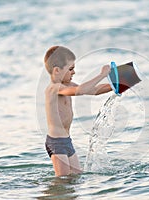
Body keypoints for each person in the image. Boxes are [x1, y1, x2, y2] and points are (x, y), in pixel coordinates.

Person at [44, 46, 112, 176]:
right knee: (62, 181)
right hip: (56, 143)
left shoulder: (68, 85)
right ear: (57, 70)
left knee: (76, 177)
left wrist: (117, 86)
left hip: (67, 141)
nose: (74, 72)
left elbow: (94, 91)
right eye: (71, 69)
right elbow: (80, 90)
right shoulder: (54, 88)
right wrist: (102, 74)